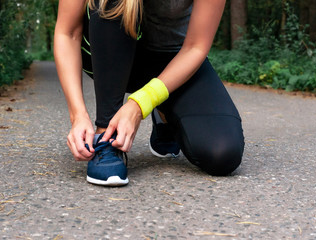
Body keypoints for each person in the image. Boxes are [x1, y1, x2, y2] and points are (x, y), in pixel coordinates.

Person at [54, 0, 245, 186]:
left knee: (222, 153)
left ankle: (164, 113)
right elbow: (67, 33)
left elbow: (196, 47)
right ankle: (106, 135)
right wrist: (77, 115)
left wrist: (141, 103)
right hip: (109, 50)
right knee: (113, 3)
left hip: (176, 60)